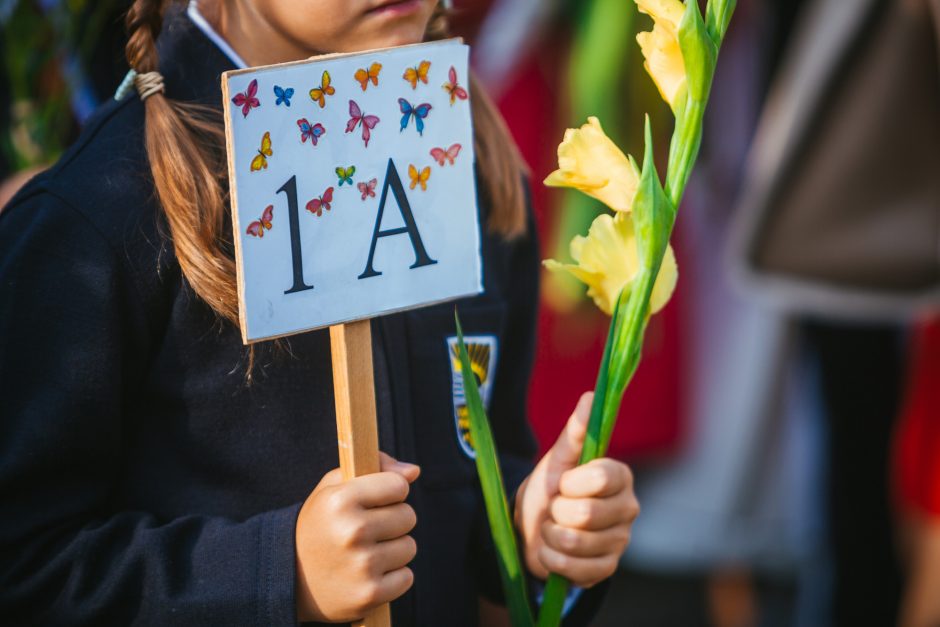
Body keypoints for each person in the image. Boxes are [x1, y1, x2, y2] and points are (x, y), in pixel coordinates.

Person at [0, 1, 639, 625]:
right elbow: (25, 568)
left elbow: (482, 497)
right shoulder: (95, 219)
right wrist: (281, 573)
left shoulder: (475, 177)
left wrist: (528, 540)